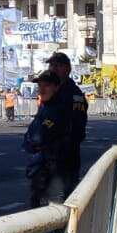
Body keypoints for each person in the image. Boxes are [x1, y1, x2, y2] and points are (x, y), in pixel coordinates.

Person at [23, 71, 72, 208]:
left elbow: (37, 137)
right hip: (43, 167)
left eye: (46, 86)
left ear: (56, 87)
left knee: (53, 211)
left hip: (53, 168)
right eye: (40, 85)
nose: (42, 89)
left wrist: (34, 141)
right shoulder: (46, 107)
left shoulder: (57, 109)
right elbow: (30, 137)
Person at [46, 52, 87, 194]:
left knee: (62, 198)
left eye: (57, 66)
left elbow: (77, 126)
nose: (53, 69)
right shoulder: (51, 91)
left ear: (67, 69)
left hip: (65, 155)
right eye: (51, 65)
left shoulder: (73, 94)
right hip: (47, 156)